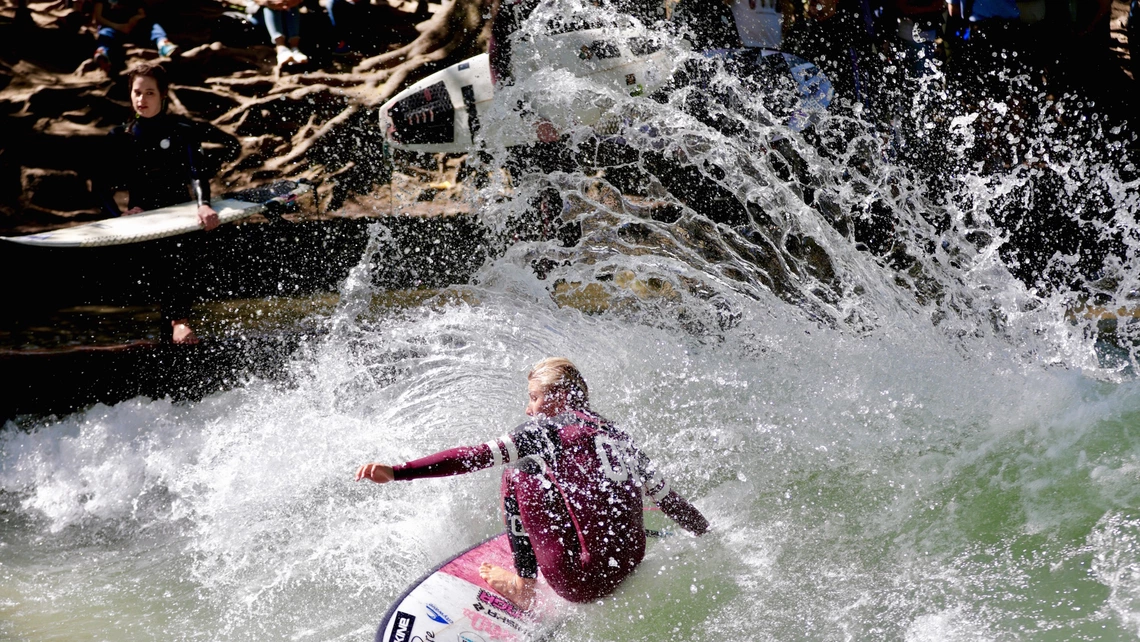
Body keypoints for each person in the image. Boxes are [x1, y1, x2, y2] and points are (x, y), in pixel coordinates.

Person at [355, 357, 709, 608]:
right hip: (629, 564)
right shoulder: (617, 434)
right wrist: (706, 532)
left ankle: (524, 586)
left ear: (559, 396)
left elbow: (473, 456)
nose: (529, 409)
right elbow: (668, 499)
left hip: (584, 583)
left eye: (534, 398)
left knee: (517, 471)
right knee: (577, 485)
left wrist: (398, 471)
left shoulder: (545, 431)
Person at [96, 62, 220, 344]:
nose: (142, 100)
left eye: (150, 93)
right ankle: (177, 326)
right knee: (160, 258)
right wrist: (118, 216)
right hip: (142, 218)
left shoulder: (183, 130)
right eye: (137, 92)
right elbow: (100, 187)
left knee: (180, 250)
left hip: (181, 215)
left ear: (163, 94)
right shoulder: (120, 137)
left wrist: (203, 205)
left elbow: (196, 172)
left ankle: (177, 326)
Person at [92, 0, 178, 74]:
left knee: (152, 25)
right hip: (112, 28)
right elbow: (98, 18)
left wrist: (133, 21)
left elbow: (142, 14)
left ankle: (163, 44)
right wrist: (118, 27)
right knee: (105, 33)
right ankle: (102, 54)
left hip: (132, 28)